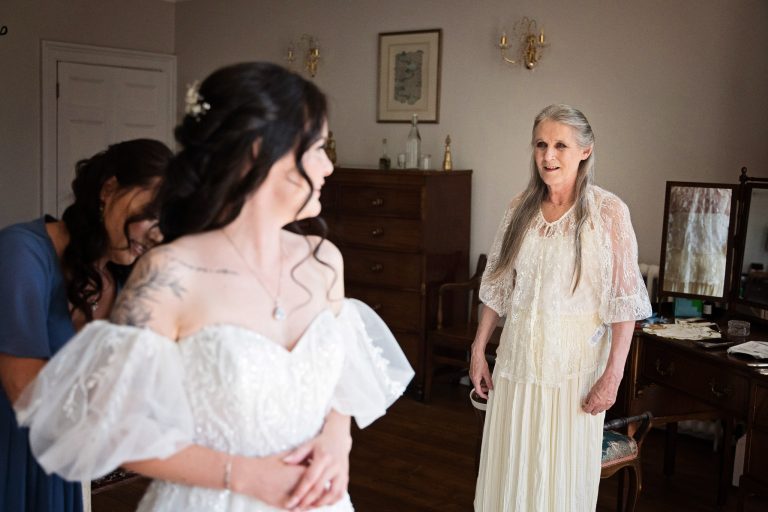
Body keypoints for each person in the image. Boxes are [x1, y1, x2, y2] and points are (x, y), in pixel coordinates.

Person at [16, 62, 414, 512]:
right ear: (262, 151)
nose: (328, 166)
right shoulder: (170, 275)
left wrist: (336, 442)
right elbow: (107, 426)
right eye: (319, 148)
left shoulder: (323, 260)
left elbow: (340, 387)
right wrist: (245, 476)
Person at [470, 104, 651, 511]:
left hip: (573, 375)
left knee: (558, 481)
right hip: (516, 365)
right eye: (541, 145)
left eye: (560, 146)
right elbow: (497, 286)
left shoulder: (608, 213)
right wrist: (479, 349)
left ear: (585, 151)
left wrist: (613, 377)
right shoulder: (519, 208)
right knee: (509, 472)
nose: (548, 156)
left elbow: (625, 305)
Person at [0, 138, 171, 512]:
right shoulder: (22, 252)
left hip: (61, 463)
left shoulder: (123, 285)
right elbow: (22, 385)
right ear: (109, 190)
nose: (157, 233)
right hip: (8, 452)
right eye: (151, 212)